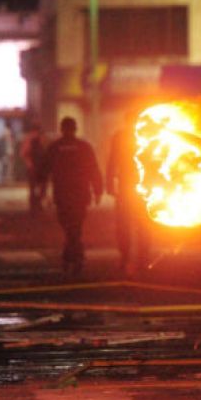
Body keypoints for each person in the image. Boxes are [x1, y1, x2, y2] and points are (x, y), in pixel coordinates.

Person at [40, 117, 103, 279]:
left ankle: (71, 257)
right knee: (76, 228)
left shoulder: (55, 147)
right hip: (81, 195)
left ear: (62, 129)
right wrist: (98, 191)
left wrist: (42, 192)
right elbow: (94, 170)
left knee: (69, 228)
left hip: (62, 194)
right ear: (75, 129)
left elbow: (44, 171)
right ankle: (75, 256)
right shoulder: (84, 147)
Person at [105, 116, 149, 276]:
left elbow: (112, 161)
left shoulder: (124, 136)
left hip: (134, 186)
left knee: (133, 224)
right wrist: (109, 182)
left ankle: (133, 257)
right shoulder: (141, 135)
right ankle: (137, 257)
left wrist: (109, 183)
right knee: (137, 224)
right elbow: (113, 160)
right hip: (134, 186)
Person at [20, 123, 46, 213]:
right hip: (34, 167)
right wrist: (30, 164)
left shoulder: (40, 138)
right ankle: (34, 206)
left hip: (39, 166)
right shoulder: (29, 139)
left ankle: (37, 204)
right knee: (34, 188)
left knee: (40, 187)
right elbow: (24, 153)